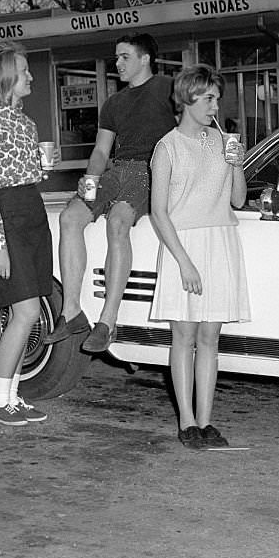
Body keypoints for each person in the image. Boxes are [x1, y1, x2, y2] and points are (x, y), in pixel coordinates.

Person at [41, 33, 177, 353]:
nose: (118, 64)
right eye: (117, 57)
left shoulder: (168, 88)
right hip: (117, 169)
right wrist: (89, 182)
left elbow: (196, 119)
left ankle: (107, 321)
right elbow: (101, 152)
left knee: (118, 222)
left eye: (125, 57)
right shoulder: (114, 102)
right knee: (70, 217)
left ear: (145, 59)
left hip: (152, 170)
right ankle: (71, 312)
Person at [148, 65, 251, 449]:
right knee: (184, 334)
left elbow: (238, 200)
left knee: (210, 335)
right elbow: (159, 212)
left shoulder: (220, 140)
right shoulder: (168, 147)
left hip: (220, 239)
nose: (215, 105)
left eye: (217, 98)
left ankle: (206, 421)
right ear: (187, 98)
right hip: (183, 245)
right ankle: (186, 421)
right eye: (208, 97)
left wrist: (236, 162)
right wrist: (184, 262)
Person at [0, 42, 54, 426]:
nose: (31, 76)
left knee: (30, 314)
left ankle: (12, 398)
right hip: (9, 219)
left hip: (32, 212)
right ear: (6, 79)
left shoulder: (26, 123)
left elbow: (27, 176)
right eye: (24, 71)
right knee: (26, 312)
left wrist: (42, 166)